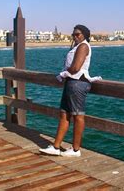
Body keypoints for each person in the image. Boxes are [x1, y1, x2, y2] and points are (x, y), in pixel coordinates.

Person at [39, 24, 101, 157]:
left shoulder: (84, 46)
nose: (75, 36)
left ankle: (75, 149)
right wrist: (66, 75)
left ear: (84, 35)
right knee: (64, 114)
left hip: (78, 83)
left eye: (77, 34)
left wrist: (63, 74)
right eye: (73, 34)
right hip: (71, 83)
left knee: (78, 116)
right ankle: (56, 147)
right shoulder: (77, 46)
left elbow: (76, 67)